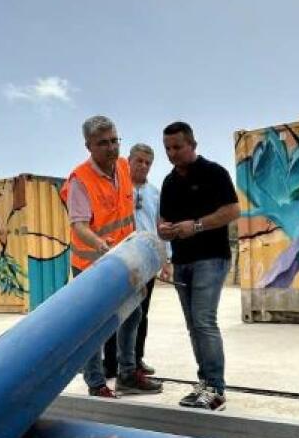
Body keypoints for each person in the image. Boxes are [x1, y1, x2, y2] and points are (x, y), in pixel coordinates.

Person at [62, 115, 162, 399]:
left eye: (114, 140)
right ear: (89, 146)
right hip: (92, 264)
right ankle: (96, 383)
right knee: (94, 326)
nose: (111, 147)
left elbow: (127, 210)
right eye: (103, 143)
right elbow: (79, 225)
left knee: (134, 313)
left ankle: (127, 375)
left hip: (124, 260)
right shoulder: (80, 180)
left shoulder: (122, 167)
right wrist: (100, 244)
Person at [158, 121, 239, 412]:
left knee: (204, 321)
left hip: (211, 258)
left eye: (177, 147)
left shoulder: (214, 173)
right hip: (183, 262)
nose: (172, 153)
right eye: (167, 148)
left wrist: (197, 226)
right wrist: (165, 230)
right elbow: (163, 221)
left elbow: (232, 210)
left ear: (193, 144)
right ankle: (204, 382)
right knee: (194, 326)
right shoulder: (168, 182)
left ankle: (216, 388)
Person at [101, 142, 167, 379]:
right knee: (114, 315)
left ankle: (136, 361)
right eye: (138, 160)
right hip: (120, 260)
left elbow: (161, 227)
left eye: (148, 163)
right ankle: (110, 364)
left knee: (141, 314)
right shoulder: (117, 190)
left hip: (146, 263)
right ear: (128, 161)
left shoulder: (155, 193)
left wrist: (165, 260)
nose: (143, 166)